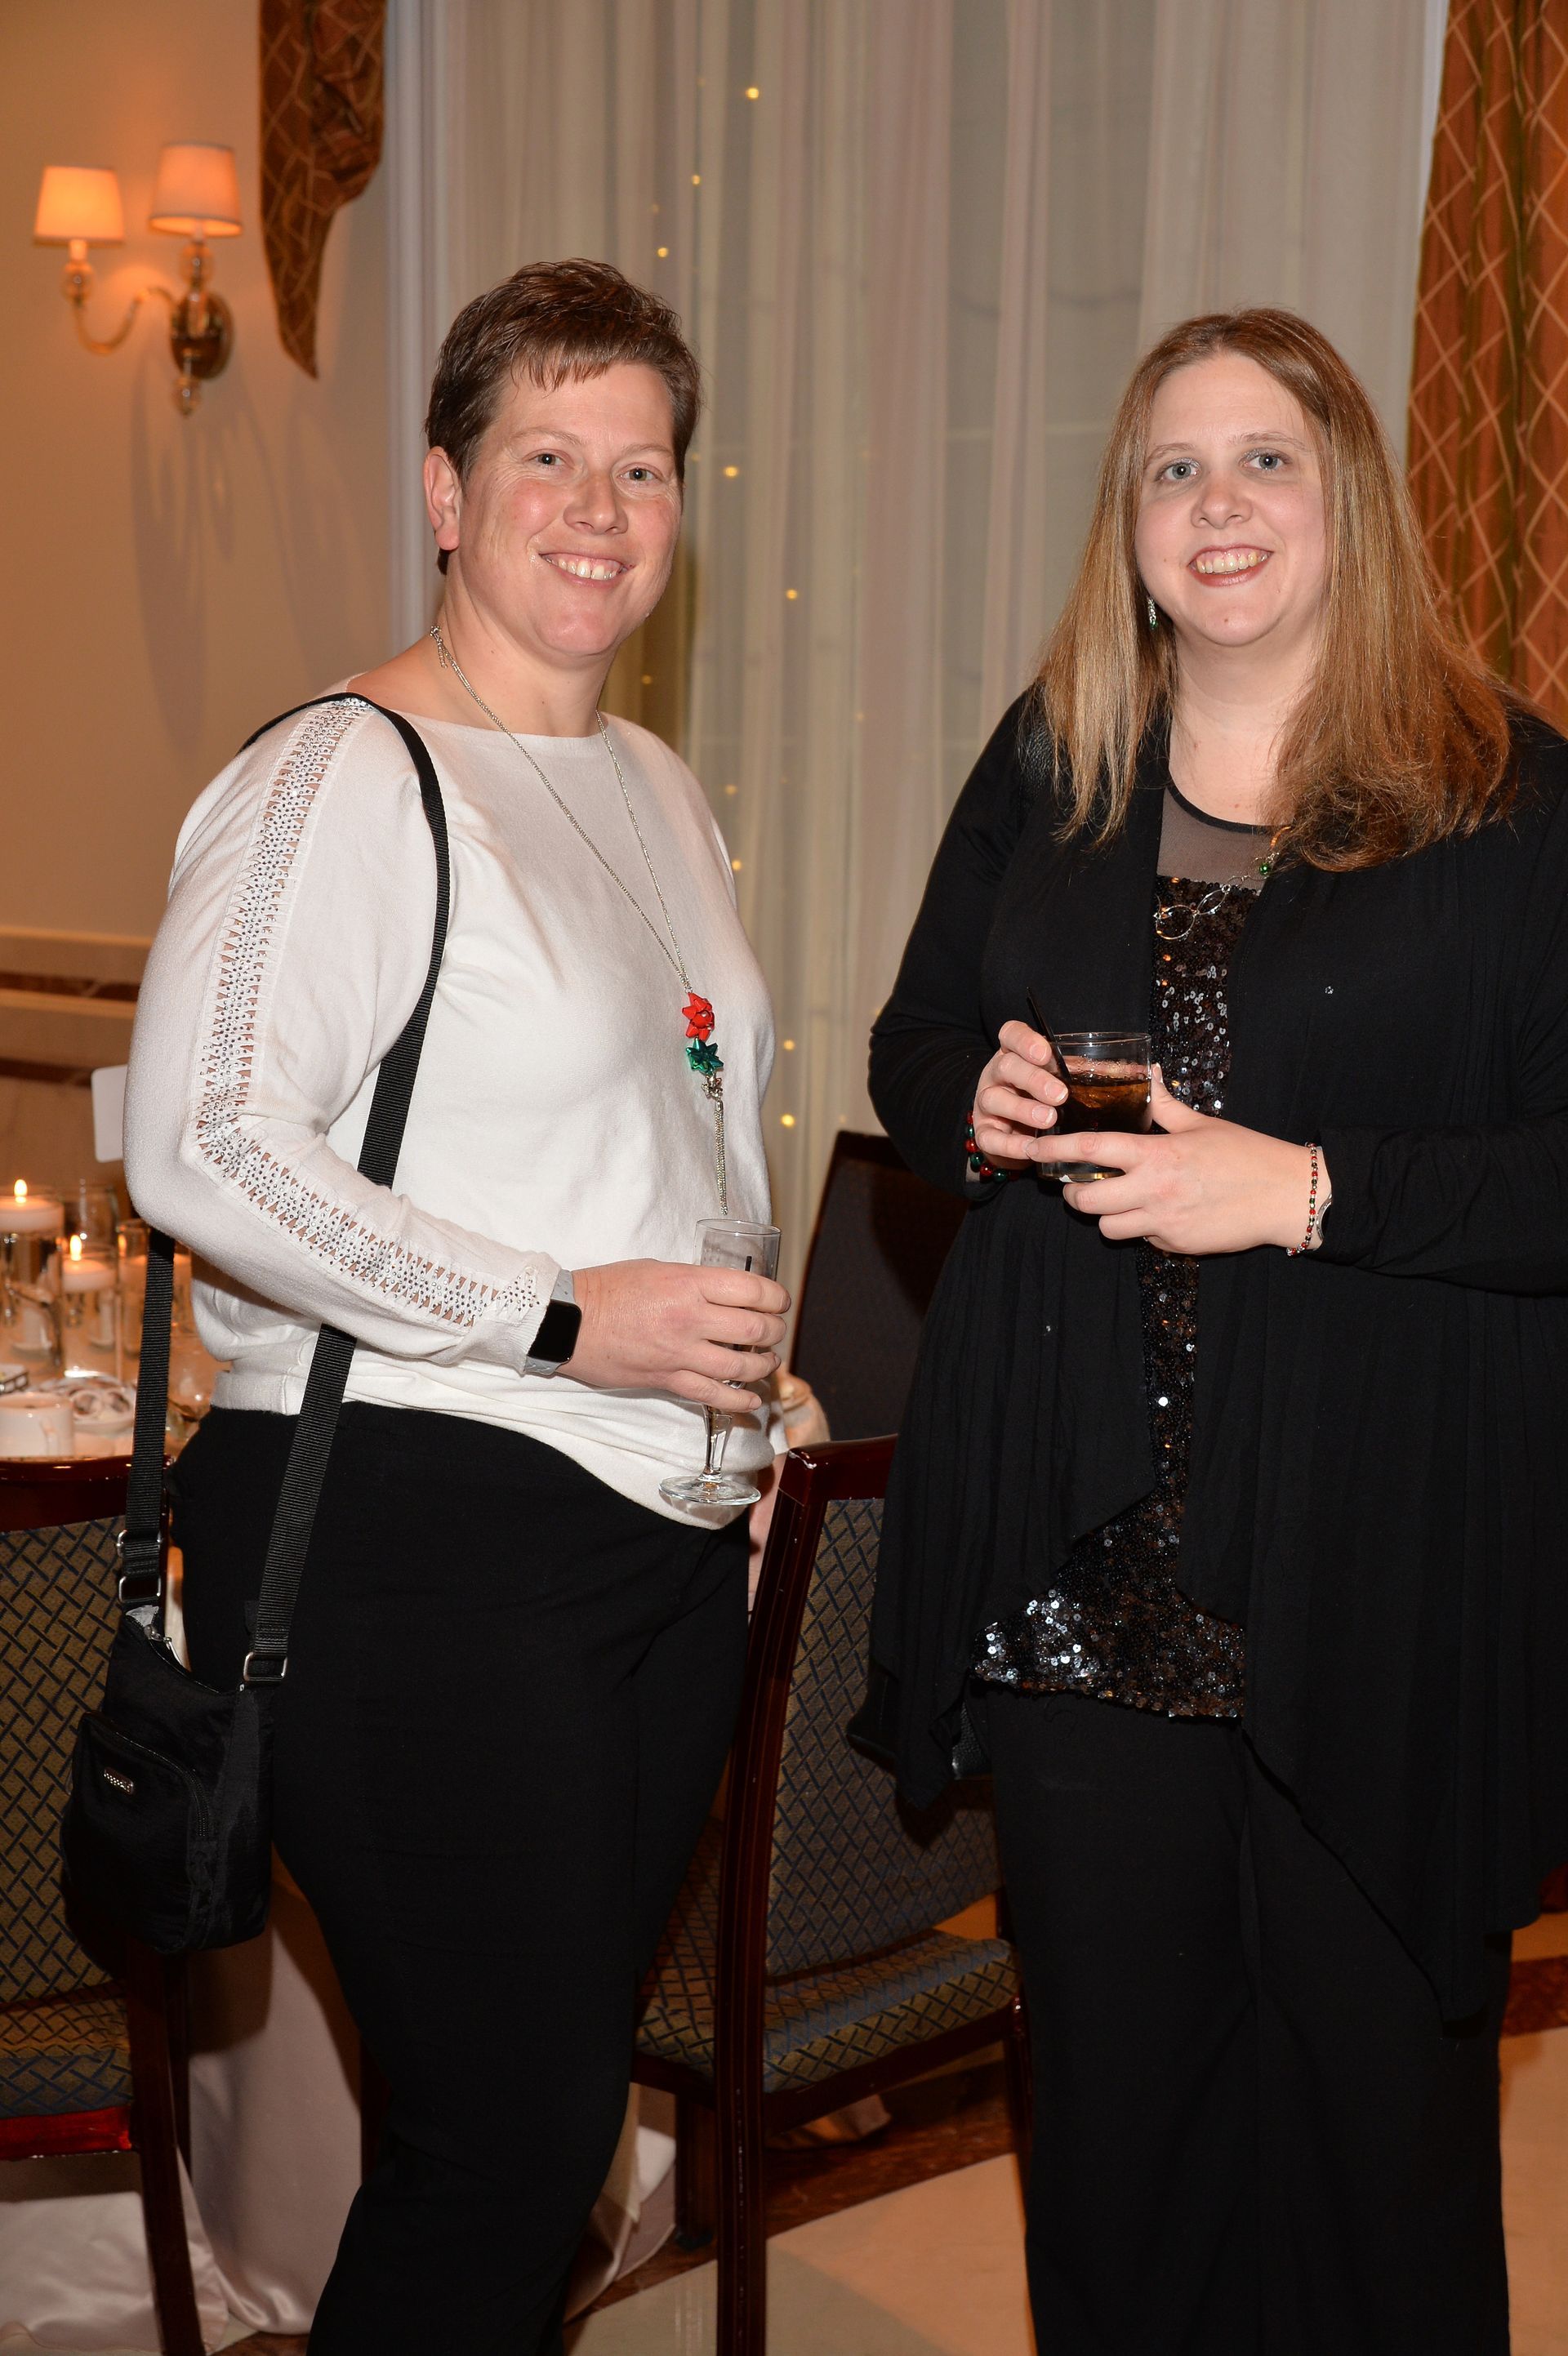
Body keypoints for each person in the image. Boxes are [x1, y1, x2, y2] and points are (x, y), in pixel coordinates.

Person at [862, 306, 1568, 2352]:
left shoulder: (1510, 800)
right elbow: (920, 1042)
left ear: (1350, 489)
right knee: (1117, 2122)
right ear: (1131, 526)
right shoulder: (1054, 759)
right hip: (1087, 1562)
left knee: (1381, 2132)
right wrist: (965, 1110)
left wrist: (1317, 1189)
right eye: (1174, 469)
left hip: (1381, 1556)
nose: (1219, 504)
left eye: (1266, 456)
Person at [124, 258, 789, 2356]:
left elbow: (685, 1138)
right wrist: (573, 1324)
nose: (599, 507)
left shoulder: (656, 783)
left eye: (643, 466)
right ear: (443, 487)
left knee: (526, 2142)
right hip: (416, 1542)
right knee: (508, 2149)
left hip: (649, 1560)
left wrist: (746, 1401)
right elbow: (205, 1143)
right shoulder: (343, 775)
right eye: (546, 459)